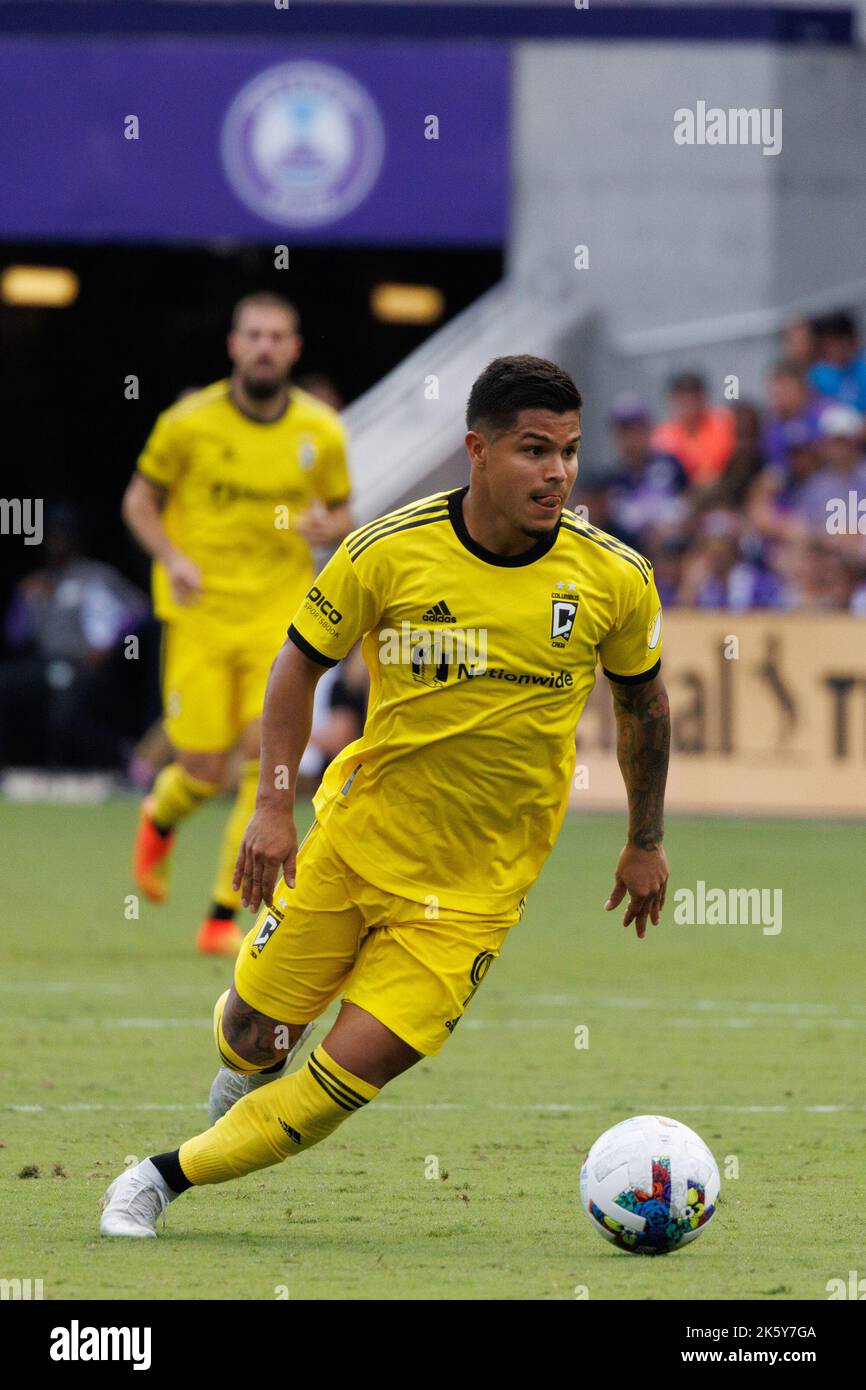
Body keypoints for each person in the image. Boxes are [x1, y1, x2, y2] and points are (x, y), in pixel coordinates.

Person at [99, 354, 670, 1238]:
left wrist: (645, 838)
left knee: (340, 1083)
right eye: (533, 450)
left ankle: (156, 1179)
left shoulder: (614, 579)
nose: (557, 472)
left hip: (476, 895)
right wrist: (273, 806)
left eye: (568, 451)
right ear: (477, 450)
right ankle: (245, 1059)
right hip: (356, 844)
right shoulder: (387, 551)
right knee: (255, 1034)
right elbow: (297, 668)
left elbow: (644, 706)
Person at [122, 292, 353, 955]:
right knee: (199, 768)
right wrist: (172, 556)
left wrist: (325, 527)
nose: (264, 347)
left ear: (294, 349)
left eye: (277, 337)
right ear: (233, 345)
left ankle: (224, 915)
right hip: (199, 614)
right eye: (253, 335)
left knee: (265, 766)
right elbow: (138, 501)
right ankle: (160, 814)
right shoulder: (188, 424)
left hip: (277, 621)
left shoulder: (321, 431)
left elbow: (342, 515)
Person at [0, 504, 147, 769]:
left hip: (84, 665)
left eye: (62, 535)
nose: (56, 542)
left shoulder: (95, 575)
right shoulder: (37, 583)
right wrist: (23, 603)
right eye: (51, 536)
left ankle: (121, 757)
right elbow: (14, 638)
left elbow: (138, 610)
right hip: (44, 665)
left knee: (65, 713)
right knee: (6, 683)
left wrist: (115, 647)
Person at [602, 393, 688, 552]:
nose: (631, 440)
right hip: (633, 555)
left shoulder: (671, 465)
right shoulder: (613, 482)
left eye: (636, 431)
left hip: (675, 551)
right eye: (624, 433)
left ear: (648, 430)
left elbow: (690, 502)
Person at [652, 371, 735, 487]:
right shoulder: (662, 435)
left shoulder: (723, 422)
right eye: (682, 395)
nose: (689, 401)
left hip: (724, 487)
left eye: (694, 394)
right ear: (672, 399)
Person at [808, 311, 866, 415]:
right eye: (828, 345)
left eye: (839, 343)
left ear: (854, 340)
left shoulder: (863, 369)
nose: (834, 350)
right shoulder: (818, 376)